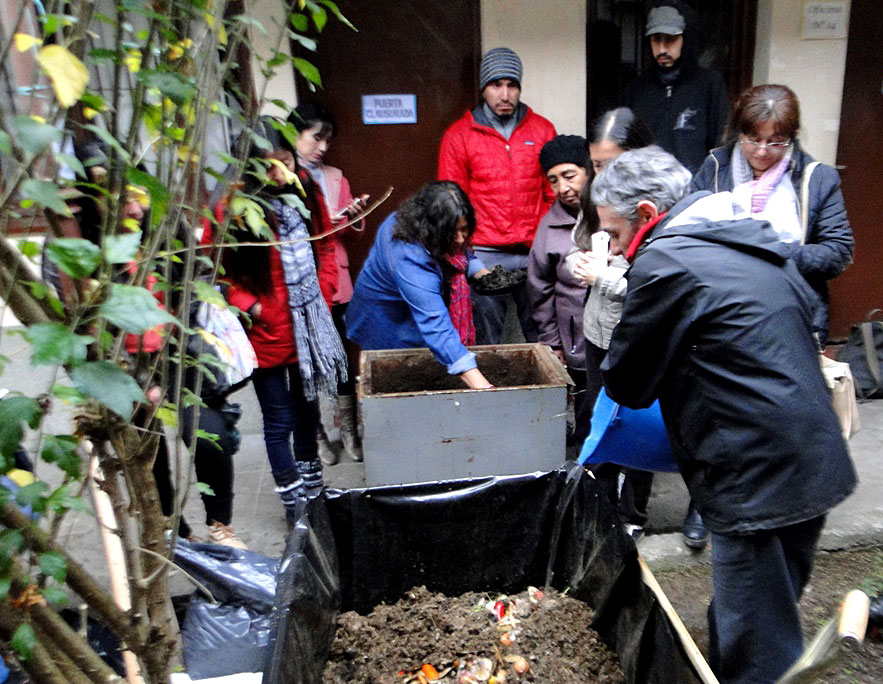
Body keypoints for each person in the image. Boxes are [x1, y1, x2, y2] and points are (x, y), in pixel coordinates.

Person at [594, 146, 857, 684]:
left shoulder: (665, 260)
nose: (617, 253)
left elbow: (626, 381)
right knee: (761, 612)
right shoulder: (747, 239)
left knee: (756, 645)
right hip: (812, 454)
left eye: (616, 236)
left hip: (754, 472)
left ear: (647, 213)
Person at [219, 120, 347, 527]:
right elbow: (217, 274)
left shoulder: (306, 191)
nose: (280, 173)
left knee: (309, 413)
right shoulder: (233, 209)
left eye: (286, 162)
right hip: (266, 333)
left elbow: (325, 245)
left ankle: (314, 488)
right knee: (279, 421)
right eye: (269, 166)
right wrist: (253, 307)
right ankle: (293, 501)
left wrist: (322, 294)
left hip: (308, 326)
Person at [690, 83, 854, 345]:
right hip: (719, 313)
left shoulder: (817, 178)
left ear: (793, 136)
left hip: (792, 316)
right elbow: (684, 233)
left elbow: (838, 251)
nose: (762, 151)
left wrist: (773, 252)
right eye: (753, 140)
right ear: (739, 132)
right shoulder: (715, 168)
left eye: (775, 142)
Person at [565, 108, 655, 540]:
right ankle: (598, 511)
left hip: (639, 332)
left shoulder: (657, 202)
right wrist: (578, 262)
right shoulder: (594, 195)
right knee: (601, 419)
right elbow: (578, 242)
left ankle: (633, 514)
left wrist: (603, 277)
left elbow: (655, 283)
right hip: (598, 330)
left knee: (639, 422)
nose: (603, 174)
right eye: (597, 165)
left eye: (613, 163)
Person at [438, 47, 557, 345]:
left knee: (543, 335)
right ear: (483, 89)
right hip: (485, 254)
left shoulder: (542, 130)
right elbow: (452, 202)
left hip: (534, 251)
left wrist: (541, 236)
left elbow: (553, 192)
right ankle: (491, 391)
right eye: (496, 85)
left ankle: (547, 392)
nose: (505, 94)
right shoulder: (459, 135)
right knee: (488, 339)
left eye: (512, 85)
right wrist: (469, 256)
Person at [346, 182, 493, 390]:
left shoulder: (430, 228)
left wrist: (480, 272)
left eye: (465, 229)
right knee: (403, 390)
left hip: (421, 314)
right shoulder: (407, 254)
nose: (460, 239)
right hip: (387, 325)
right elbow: (436, 325)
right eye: (453, 232)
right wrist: (483, 387)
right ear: (431, 228)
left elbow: (460, 253)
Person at [290, 101, 369, 464]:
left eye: (327, 140)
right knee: (304, 364)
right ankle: (317, 435)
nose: (322, 147)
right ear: (295, 135)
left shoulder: (336, 177)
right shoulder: (279, 177)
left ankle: (349, 432)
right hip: (297, 285)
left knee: (340, 360)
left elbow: (351, 233)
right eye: (316, 138)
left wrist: (352, 217)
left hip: (336, 281)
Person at [527, 135, 591, 446]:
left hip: (616, 333)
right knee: (583, 403)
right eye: (553, 181)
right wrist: (552, 341)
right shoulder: (548, 228)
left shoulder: (613, 215)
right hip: (576, 337)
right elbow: (540, 289)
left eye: (569, 176)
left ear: (588, 171)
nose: (562, 188)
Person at [623, 1, 729, 174]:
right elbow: (624, 146)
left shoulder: (710, 85)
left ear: (685, 39)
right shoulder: (636, 89)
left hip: (695, 189)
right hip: (646, 188)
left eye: (671, 39)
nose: (662, 49)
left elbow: (721, 145)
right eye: (656, 40)